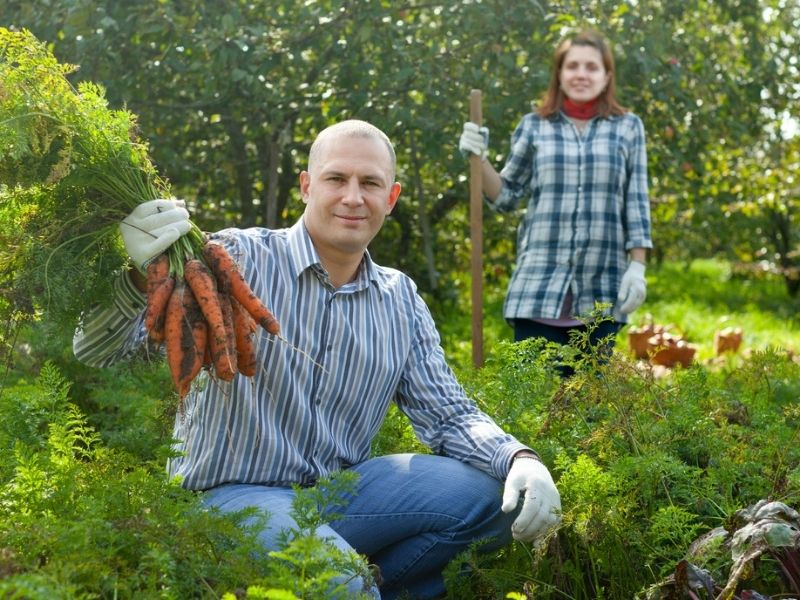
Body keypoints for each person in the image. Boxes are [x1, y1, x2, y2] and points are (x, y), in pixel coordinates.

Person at [74, 120, 561, 599]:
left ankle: (370, 587)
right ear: (307, 187)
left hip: (344, 494)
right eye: (336, 179)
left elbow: (448, 414)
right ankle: (339, 582)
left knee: (498, 503)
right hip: (230, 496)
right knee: (339, 582)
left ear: (390, 199)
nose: (353, 197)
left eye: (370, 183)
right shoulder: (232, 257)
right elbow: (96, 351)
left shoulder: (400, 299)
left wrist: (519, 457)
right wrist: (142, 279)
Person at [459, 29, 653, 375]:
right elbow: (505, 195)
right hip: (538, 289)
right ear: (559, 75)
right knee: (533, 410)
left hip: (600, 289)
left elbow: (635, 201)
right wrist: (480, 157)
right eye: (573, 66)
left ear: (607, 76)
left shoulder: (627, 128)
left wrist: (637, 267)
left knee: (589, 416)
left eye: (591, 67)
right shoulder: (534, 126)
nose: (581, 74)